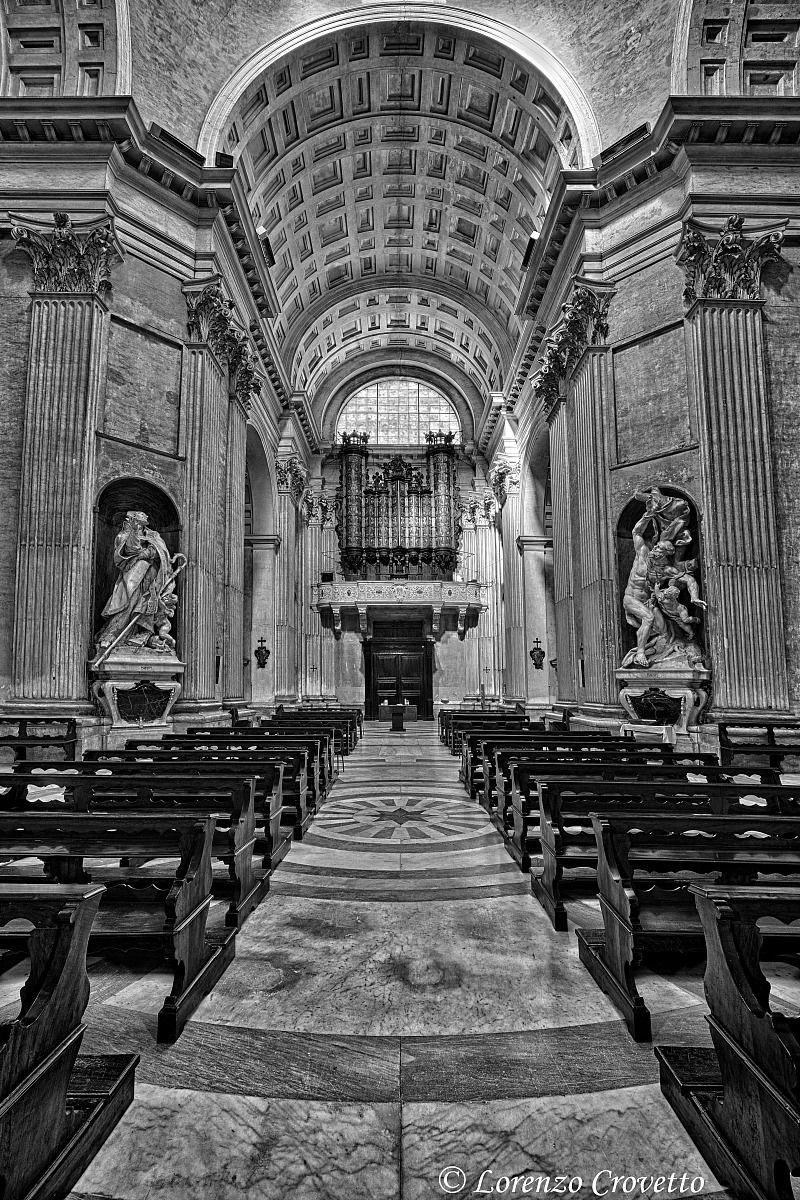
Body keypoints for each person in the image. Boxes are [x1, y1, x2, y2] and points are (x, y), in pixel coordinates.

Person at [95, 511, 178, 654]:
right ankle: (112, 634)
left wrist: (149, 552)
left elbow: (162, 552)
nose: (141, 521)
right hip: (133, 574)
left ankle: (140, 635)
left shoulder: (153, 535)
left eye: (142, 520)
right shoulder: (124, 535)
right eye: (137, 519)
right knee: (127, 603)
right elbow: (127, 550)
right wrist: (133, 532)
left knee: (146, 606)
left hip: (151, 577)